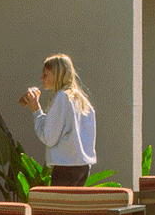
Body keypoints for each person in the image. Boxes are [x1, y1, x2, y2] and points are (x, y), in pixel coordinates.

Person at [20, 53, 97, 185]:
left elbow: (49, 137)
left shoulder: (61, 97)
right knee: (72, 205)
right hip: (83, 166)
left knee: (59, 205)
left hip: (65, 167)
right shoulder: (81, 100)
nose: (41, 78)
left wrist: (36, 110)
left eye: (46, 74)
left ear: (57, 75)